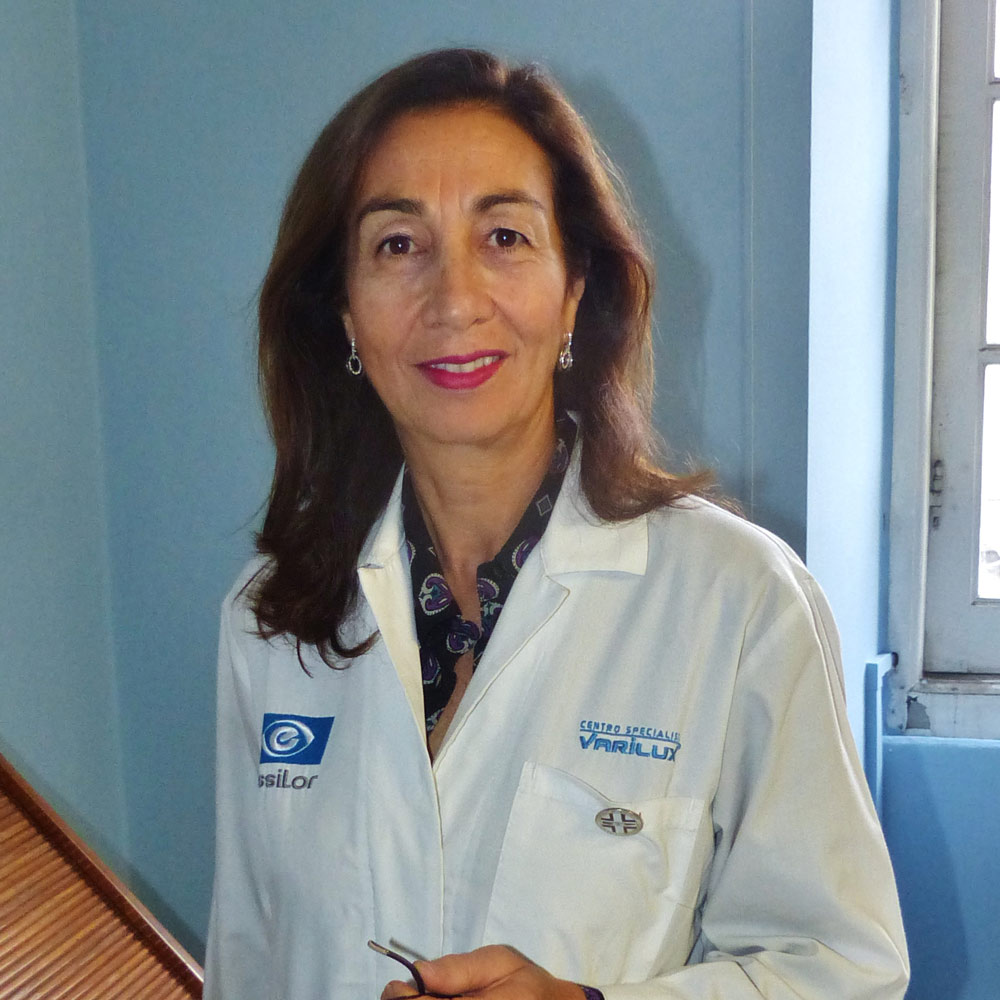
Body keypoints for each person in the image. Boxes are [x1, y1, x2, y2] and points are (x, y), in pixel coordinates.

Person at [205, 48, 908, 1000]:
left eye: (504, 237)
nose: (455, 301)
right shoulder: (269, 618)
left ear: (575, 287)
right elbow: (247, 962)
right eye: (398, 246)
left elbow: (845, 972)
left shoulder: (739, 601)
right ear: (343, 313)